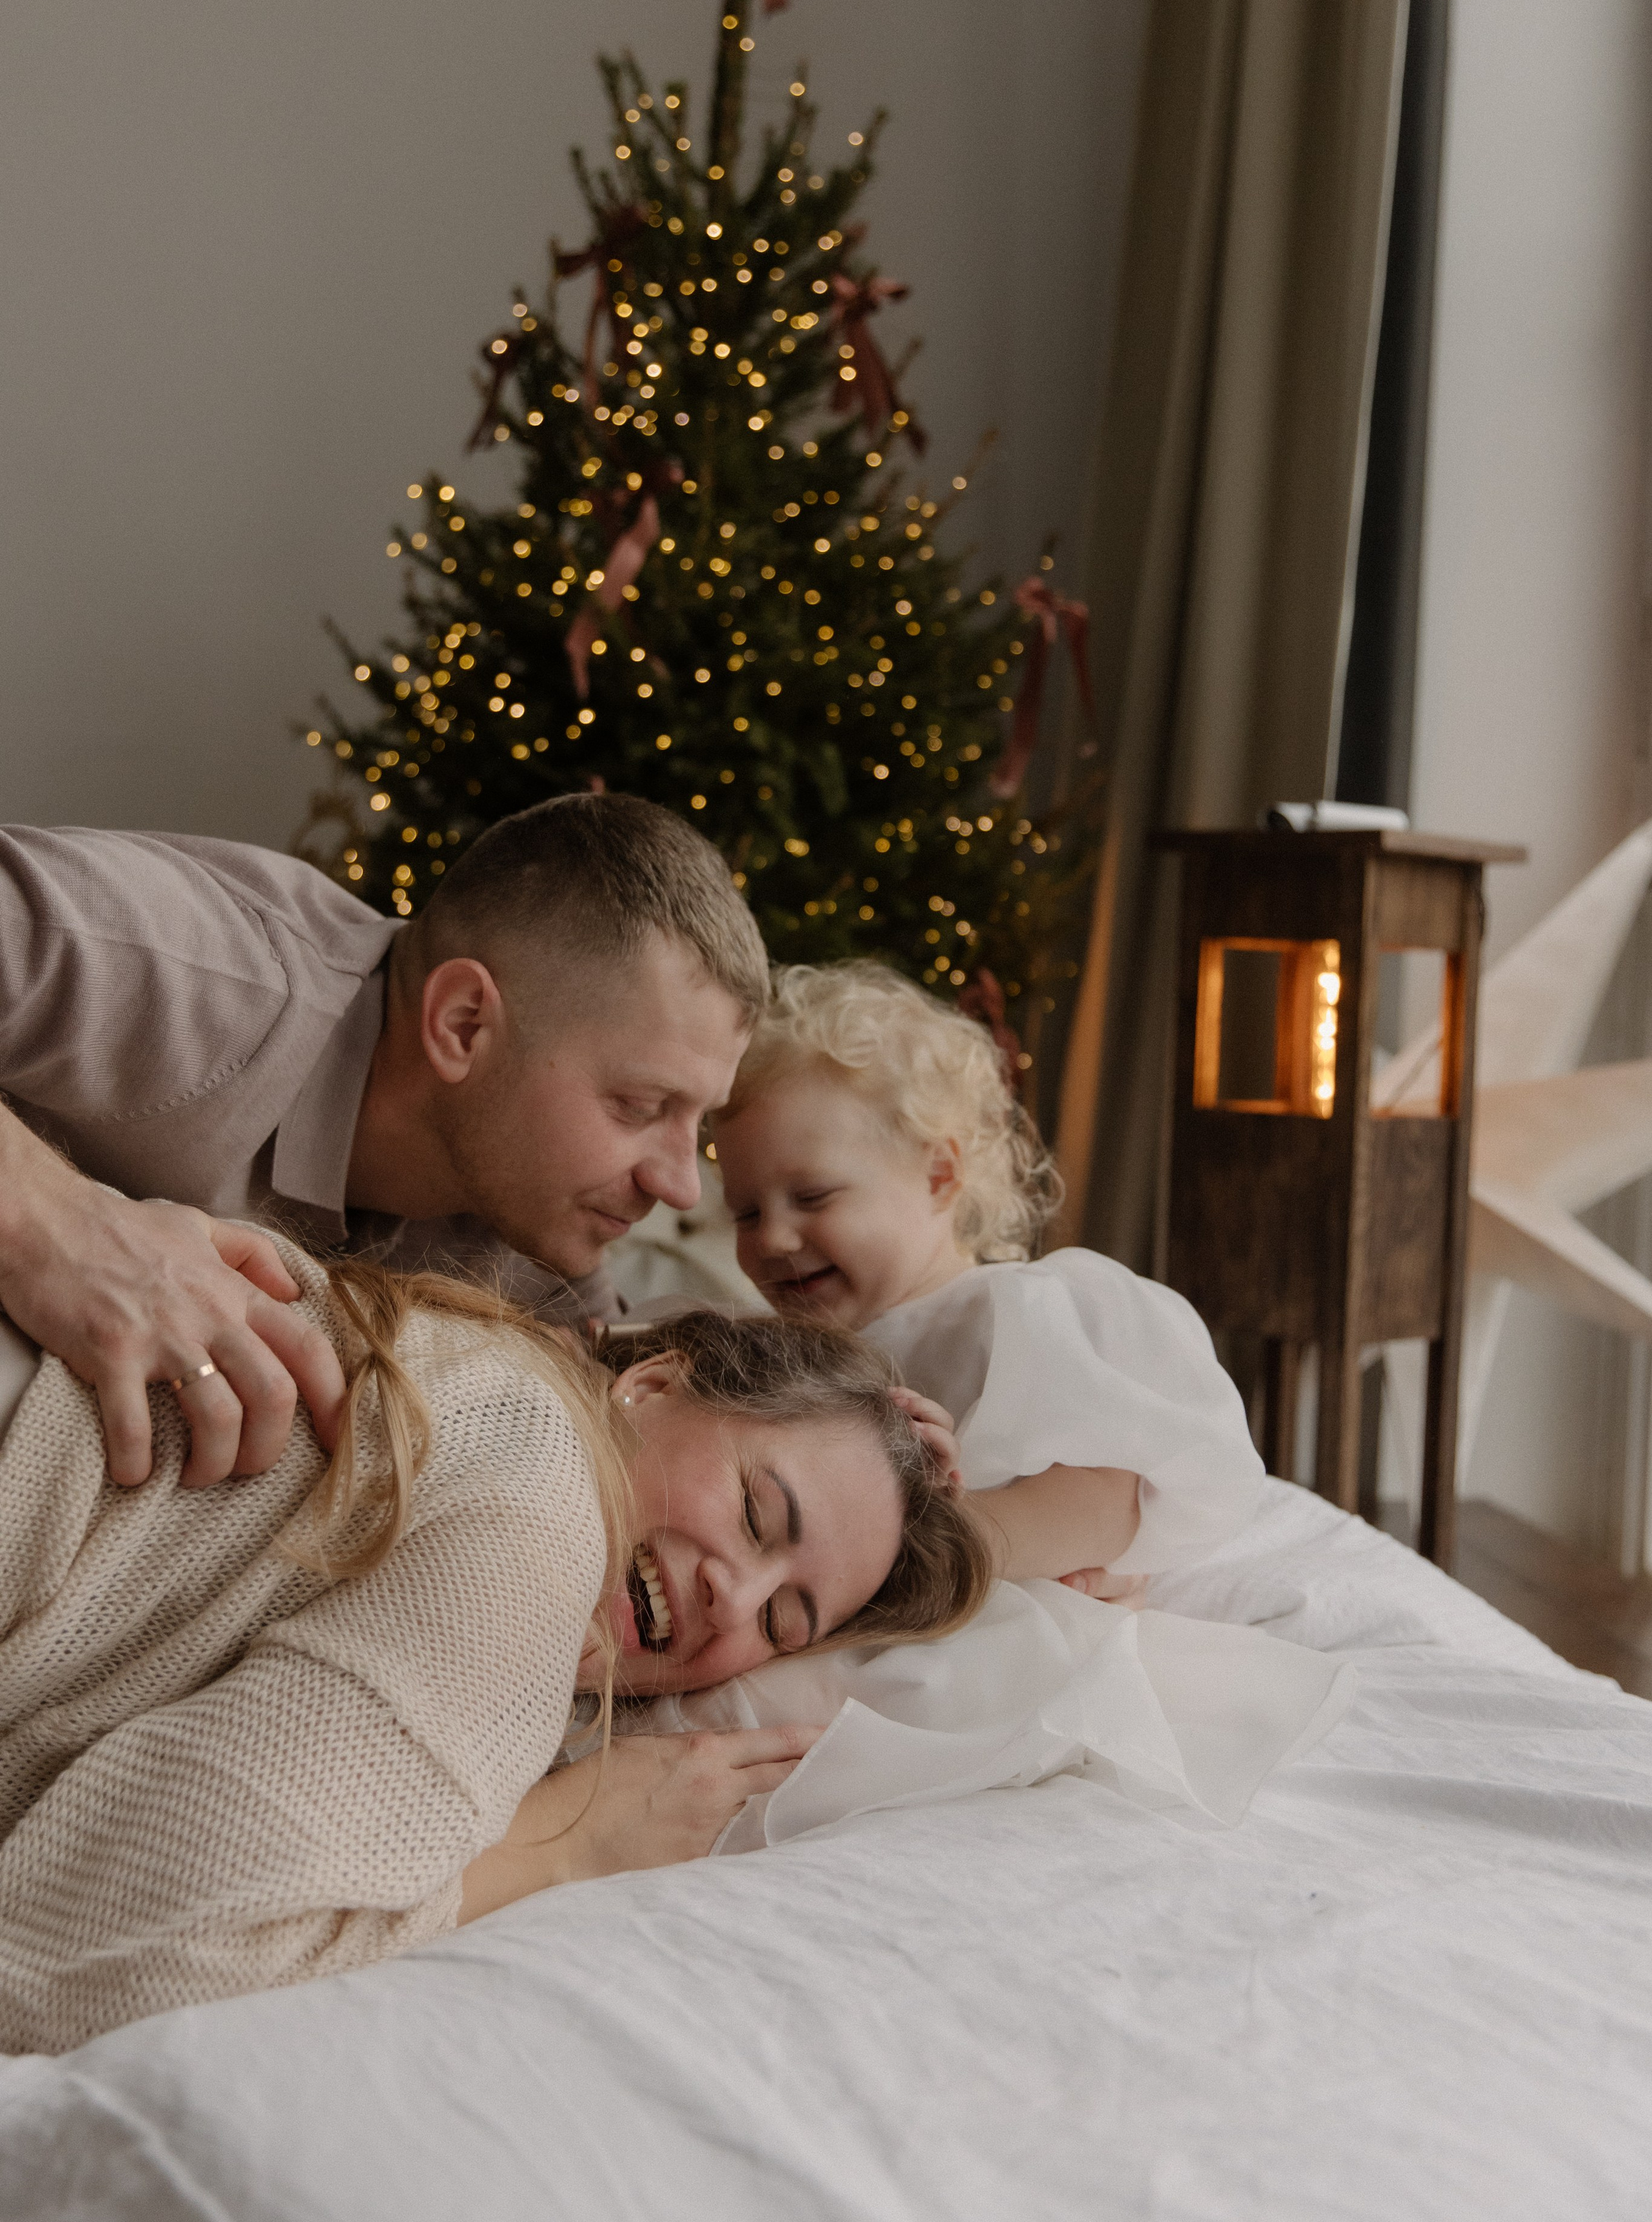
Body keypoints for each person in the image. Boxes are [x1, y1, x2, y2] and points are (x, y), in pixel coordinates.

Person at [0, 1248, 989, 2055]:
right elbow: (107, 1972)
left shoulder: (476, 1374)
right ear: (649, 1385)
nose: (735, 1598)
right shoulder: (543, 1524)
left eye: (781, 1625)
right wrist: (558, 1844)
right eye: (755, 1513)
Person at [0, 793, 767, 1490]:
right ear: (463, 1024)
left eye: (698, 1124)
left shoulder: (531, 1236)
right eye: (639, 1106)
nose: (680, 1186)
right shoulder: (200, 971)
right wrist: (59, 1226)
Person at [714, 962, 1265, 1589]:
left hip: (978, 1593)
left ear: (938, 1176)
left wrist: (949, 1549)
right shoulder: (778, 1355)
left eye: (812, 1197)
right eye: (745, 1213)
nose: (772, 1239)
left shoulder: (1015, 1317)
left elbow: (1117, 1492)